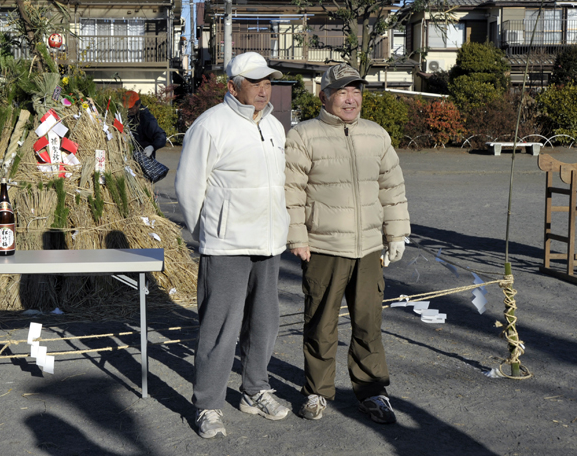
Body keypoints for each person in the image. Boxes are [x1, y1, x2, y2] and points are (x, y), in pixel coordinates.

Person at [285, 63, 410, 424]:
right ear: (324, 96)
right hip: (323, 246)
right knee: (321, 324)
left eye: (356, 91)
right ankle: (317, 391)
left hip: (370, 247)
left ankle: (373, 392)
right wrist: (297, 236)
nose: (351, 99)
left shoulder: (376, 135)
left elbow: (392, 187)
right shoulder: (303, 135)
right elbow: (291, 192)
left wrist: (396, 233)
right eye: (342, 91)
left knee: (369, 323)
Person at [175, 51, 291, 439]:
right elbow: (189, 189)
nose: (263, 89)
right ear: (232, 86)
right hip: (226, 246)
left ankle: (255, 389)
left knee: (264, 324)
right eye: (255, 82)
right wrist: (210, 233)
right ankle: (207, 404)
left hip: (269, 243)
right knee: (219, 329)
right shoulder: (210, 126)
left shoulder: (274, 126)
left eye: (267, 81)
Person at [123, 90, 167, 158]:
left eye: (131, 108)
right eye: (127, 108)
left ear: (138, 105)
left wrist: (152, 147)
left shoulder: (146, 118)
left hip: (144, 157)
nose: (129, 110)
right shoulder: (127, 116)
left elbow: (161, 136)